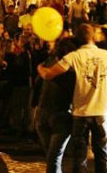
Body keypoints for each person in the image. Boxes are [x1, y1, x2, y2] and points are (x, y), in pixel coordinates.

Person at [38, 24, 107, 173]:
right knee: (103, 156)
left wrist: (40, 68)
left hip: (80, 113)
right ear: (93, 37)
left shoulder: (73, 56)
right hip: (102, 112)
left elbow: (49, 74)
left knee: (79, 157)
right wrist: (98, 89)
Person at [35, 37, 77, 173]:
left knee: (51, 156)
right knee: (54, 157)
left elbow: (38, 85)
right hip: (61, 113)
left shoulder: (48, 65)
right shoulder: (73, 70)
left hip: (43, 111)